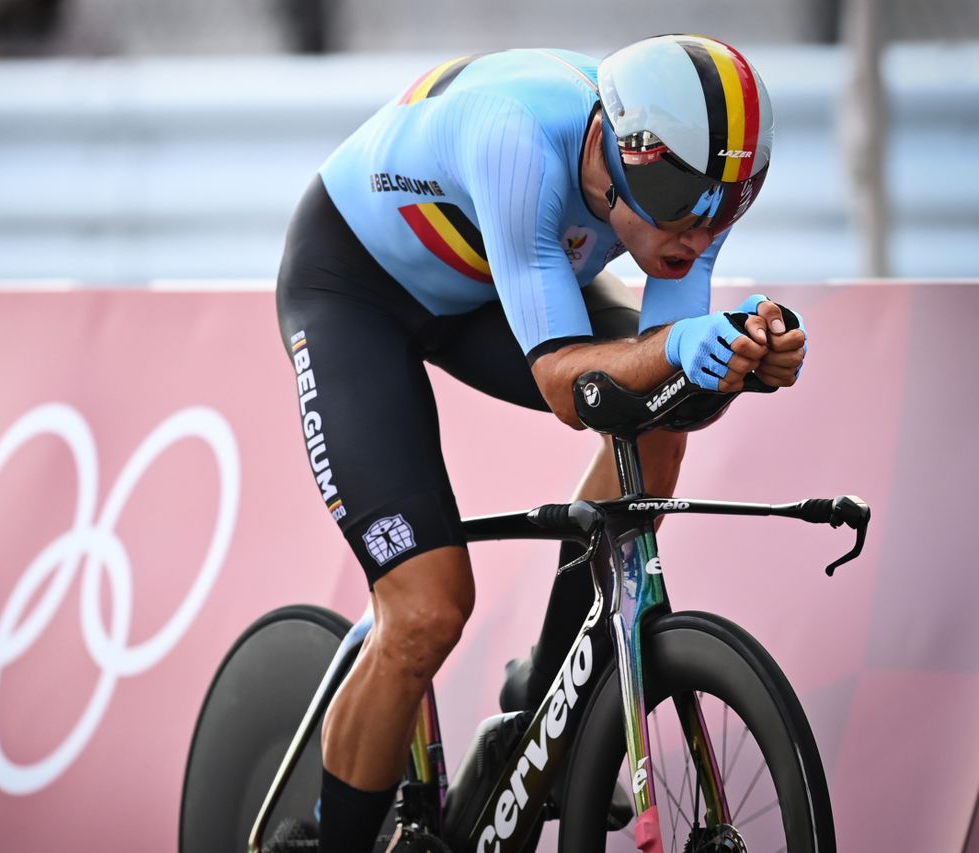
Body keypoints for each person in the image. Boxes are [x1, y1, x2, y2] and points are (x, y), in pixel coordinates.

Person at [274, 34, 807, 852]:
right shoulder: (520, 140)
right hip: (354, 290)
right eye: (682, 215)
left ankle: (550, 704)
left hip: (492, 277)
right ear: (618, 159)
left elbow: (664, 391)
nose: (700, 240)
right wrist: (681, 352)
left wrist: (741, 359)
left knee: (656, 423)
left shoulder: (695, 181)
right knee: (427, 610)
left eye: (724, 214)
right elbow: (571, 387)